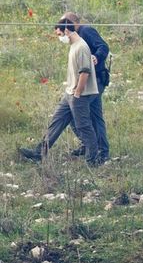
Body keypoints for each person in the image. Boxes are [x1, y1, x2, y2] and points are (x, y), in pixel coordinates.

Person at [17, 22, 103, 166]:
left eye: (59, 34)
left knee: (84, 126)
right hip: (69, 93)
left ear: (67, 31)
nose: (59, 37)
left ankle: (93, 160)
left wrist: (78, 93)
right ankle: (39, 153)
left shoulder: (81, 47)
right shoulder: (73, 46)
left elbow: (84, 72)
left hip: (78, 95)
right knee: (56, 122)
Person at [60, 13, 110, 162]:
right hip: (90, 82)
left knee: (77, 112)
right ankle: (95, 147)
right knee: (94, 116)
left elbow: (103, 46)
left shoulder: (86, 31)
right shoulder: (75, 37)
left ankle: (95, 149)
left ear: (74, 23)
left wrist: (96, 57)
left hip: (96, 80)